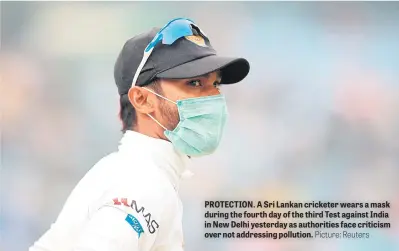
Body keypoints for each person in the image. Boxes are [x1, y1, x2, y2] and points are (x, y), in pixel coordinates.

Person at [29, 18, 250, 251]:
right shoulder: (143, 184)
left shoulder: (135, 173)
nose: (213, 97)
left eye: (215, 84)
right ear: (142, 100)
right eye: (194, 82)